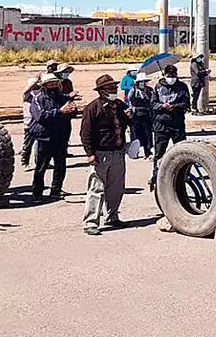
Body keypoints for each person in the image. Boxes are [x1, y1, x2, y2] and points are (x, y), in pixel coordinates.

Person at [80, 74, 132, 235]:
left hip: (117, 152)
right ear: (102, 91)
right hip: (100, 153)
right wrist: (90, 153)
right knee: (96, 188)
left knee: (116, 188)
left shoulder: (119, 105)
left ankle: (112, 216)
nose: (114, 90)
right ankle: (90, 222)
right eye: (110, 88)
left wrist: (129, 117)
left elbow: (127, 124)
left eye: (114, 88)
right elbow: (85, 133)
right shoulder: (93, 108)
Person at [29, 73, 79, 200]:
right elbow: (40, 116)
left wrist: (73, 110)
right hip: (45, 137)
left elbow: (69, 114)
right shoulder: (38, 98)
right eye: (50, 83)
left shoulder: (61, 97)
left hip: (61, 135)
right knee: (41, 166)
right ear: (44, 85)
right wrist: (60, 111)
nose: (53, 85)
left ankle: (56, 190)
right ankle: (37, 192)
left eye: (55, 83)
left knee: (60, 165)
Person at [149, 64, 190, 191]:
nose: (171, 78)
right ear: (164, 75)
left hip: (177, 124)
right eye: (169, 76)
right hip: (161, 125)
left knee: (182, 151)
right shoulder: (158, 87)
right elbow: (153, 104)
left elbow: (186, 104)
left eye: (173, 76)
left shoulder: (182, 87)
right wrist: (162, 106)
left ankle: (184, 174)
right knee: (159, 153)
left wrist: (175, 107)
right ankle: (156, 176)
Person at [127, 72, 154, 159]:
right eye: (141, 82)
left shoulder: (149, 91)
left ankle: (148, 151)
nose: (143, 83)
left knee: (148, 134)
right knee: (137, 134)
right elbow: (130, 102)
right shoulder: (133, 91)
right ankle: (136, 151)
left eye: (144, 81)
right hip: (137, 115)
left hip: (147, 114)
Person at [20, 76, 39, 171]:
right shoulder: (27, 96)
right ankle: (24, 163)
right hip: (29, 123)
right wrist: (34, 81)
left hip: (38, 122)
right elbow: (25, 91)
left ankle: (39, 162)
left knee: (40, 144)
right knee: (28, 145)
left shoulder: (39, 94)